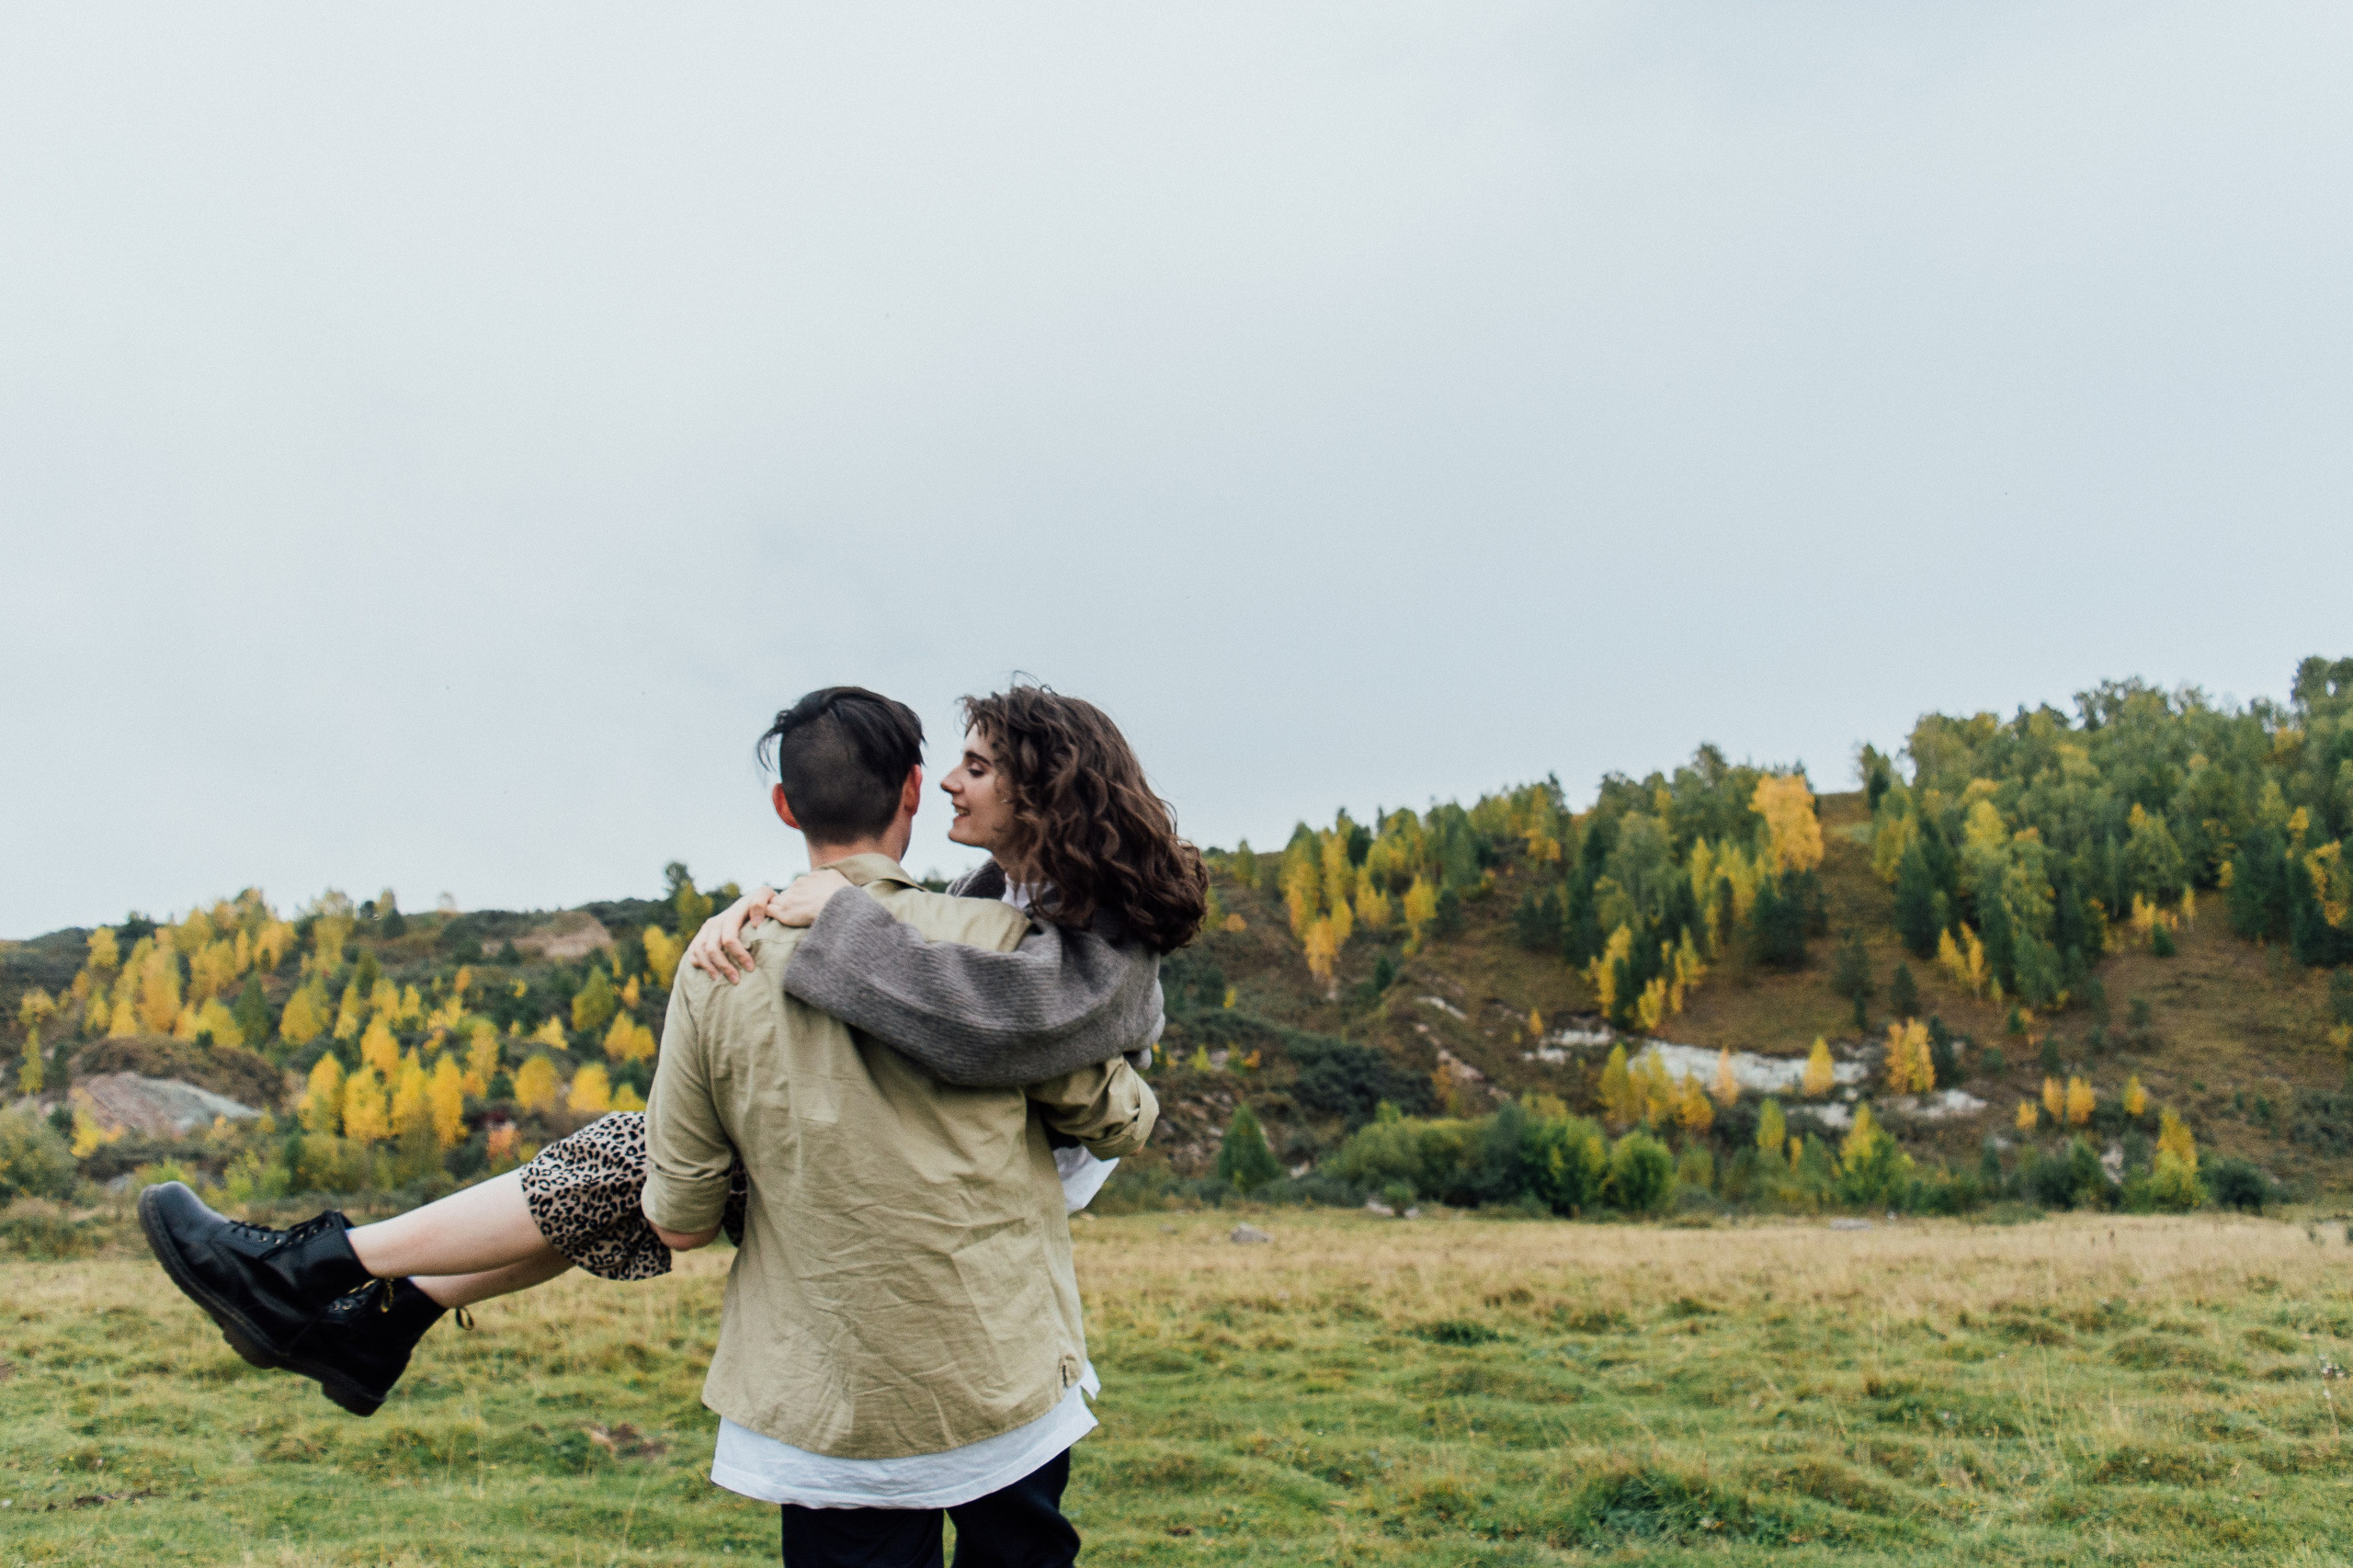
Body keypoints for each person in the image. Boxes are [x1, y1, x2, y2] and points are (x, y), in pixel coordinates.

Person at [137, 682, 1205, 1420]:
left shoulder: (1101, 908)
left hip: (1009, 1178)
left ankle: (326, 1266)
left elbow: (1024, 1014)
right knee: (633, 1171)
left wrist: (829, 917)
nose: (959, 781)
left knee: (640, 1159)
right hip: (943, 1149)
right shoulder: (989, 890)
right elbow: (930, 953)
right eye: (953, 766)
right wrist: (765, 913)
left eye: (980, 764)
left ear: (1040, 782)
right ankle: (383, 1314)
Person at [642, 690, 1156, 1565]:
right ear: (912, 791)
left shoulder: (716, 964)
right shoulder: (1000, 934)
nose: (958, 781)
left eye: (980, 766)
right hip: (995, 1369)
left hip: (830, 1395)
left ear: (785, 806)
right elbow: (1113, 1115)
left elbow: (680, 1220)